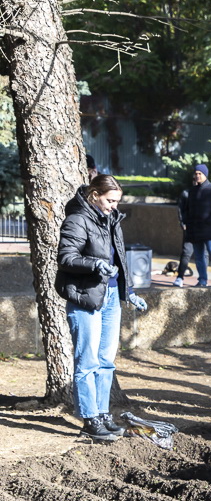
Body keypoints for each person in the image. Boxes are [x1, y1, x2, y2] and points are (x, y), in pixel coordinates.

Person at [56, 175, 148, 441]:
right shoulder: (77, 219)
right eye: (110, 201)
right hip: (86, 298)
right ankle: (89, 419)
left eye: (117, 201)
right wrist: (94, 265)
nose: (114, 206)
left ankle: (102, 412)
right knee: (87, 362)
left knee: (106, 362)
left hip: (110, 297)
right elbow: (66, 258)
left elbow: (118, 257)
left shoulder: (112, 219)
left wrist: (128, 291)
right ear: (94, 194)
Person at [175, 164, 211, 287]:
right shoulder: (192, 192)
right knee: (199, 256)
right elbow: (187, 210)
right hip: (195, 228)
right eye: (196, 173)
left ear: (205, 175)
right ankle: (202, 280)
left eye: (200, 173)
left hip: (209, 228)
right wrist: (186, 223)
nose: (197, 175)